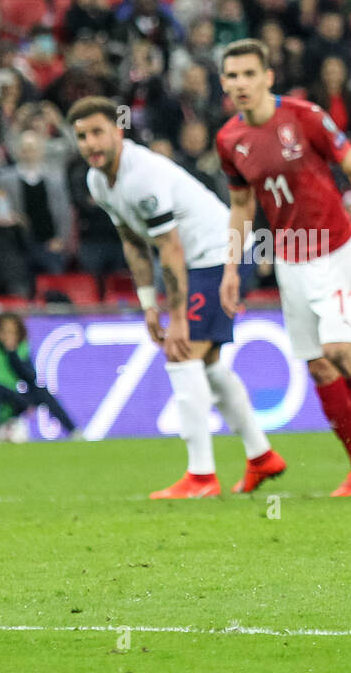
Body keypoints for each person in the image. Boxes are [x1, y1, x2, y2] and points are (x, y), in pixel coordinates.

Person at [216, 39, 351, 497]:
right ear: (224, 83)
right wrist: (230, 268)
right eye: (232, 76)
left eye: (249, 73)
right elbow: (242, 205)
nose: (240, 83)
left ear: (268, 77)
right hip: (290, 259)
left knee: (340, 349)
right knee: (320, 368)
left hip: (338, 250)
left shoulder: (305, 116)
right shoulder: (229, 140)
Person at [70, 96, 283, 499]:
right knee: (208, 362)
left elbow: (170, 249)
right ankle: (260, 455)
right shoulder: (97, 181)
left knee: (181, 352)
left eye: (98, 132)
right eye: (82, 136)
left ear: (118, 131)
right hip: (203, 260)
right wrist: (148, 302)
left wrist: (178, 317)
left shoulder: (142, 175)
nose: (91, 143)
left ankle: (201, 477)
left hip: (222, 256)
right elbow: (133, 243)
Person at [0, 311, 80, 443]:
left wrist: (13, 355)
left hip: (9, 400)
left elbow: (31, 378)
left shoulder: (20, 349)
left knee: (42, 392)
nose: (8, 336)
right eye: (4, 331)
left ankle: (74, 432)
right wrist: (19, 399)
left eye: (13, 332)